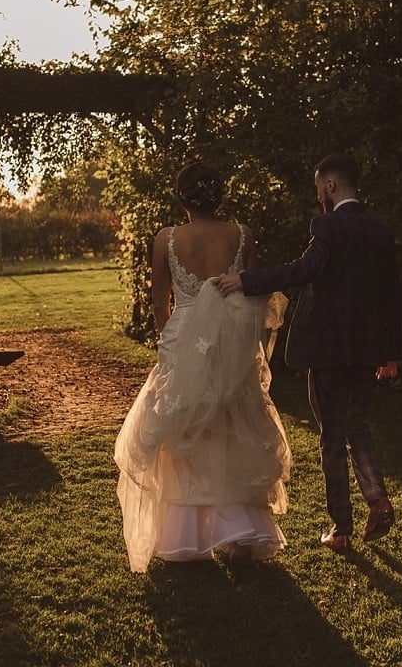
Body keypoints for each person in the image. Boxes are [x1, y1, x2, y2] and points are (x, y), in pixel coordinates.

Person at [214, 153, 402, 554]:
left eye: (319, 187)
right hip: (367, 350)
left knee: (332, 437)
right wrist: (390, 353)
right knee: (357, 425)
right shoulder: (380, 231)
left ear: (331, 186)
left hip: (329, 350)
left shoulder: (328, 226)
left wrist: (245, 281)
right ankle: (378, 500)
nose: (318, 195)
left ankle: (341, 529)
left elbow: (303, 270)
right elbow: (390, 297)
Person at [115, 162, 292, 572]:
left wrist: (172, 343)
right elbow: (253, 296)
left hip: (184, 340)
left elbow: (161, 305)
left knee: (185, 431)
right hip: (232, 344)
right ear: (221, 195)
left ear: (182, 198)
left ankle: (187, 536)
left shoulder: (165, 240)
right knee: (232, 425)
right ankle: (240, 532)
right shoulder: (242, 234)